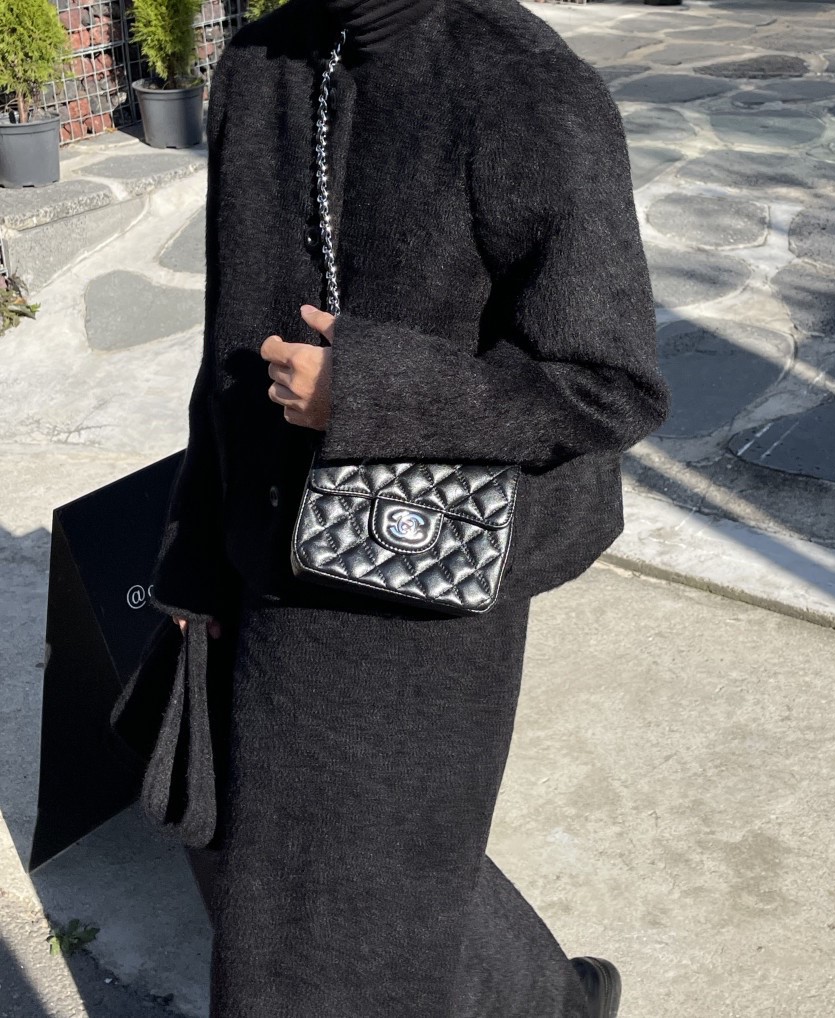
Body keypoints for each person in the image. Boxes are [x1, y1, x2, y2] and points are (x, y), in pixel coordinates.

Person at [152, 0, 670, 1016]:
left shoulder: (526, 85)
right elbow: (225, 354)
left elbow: (609, 385)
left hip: (423, 578)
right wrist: (193, 560)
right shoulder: (256, 65)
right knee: (312, 852)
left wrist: (370, 391)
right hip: (263, 555)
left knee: (346, 925)